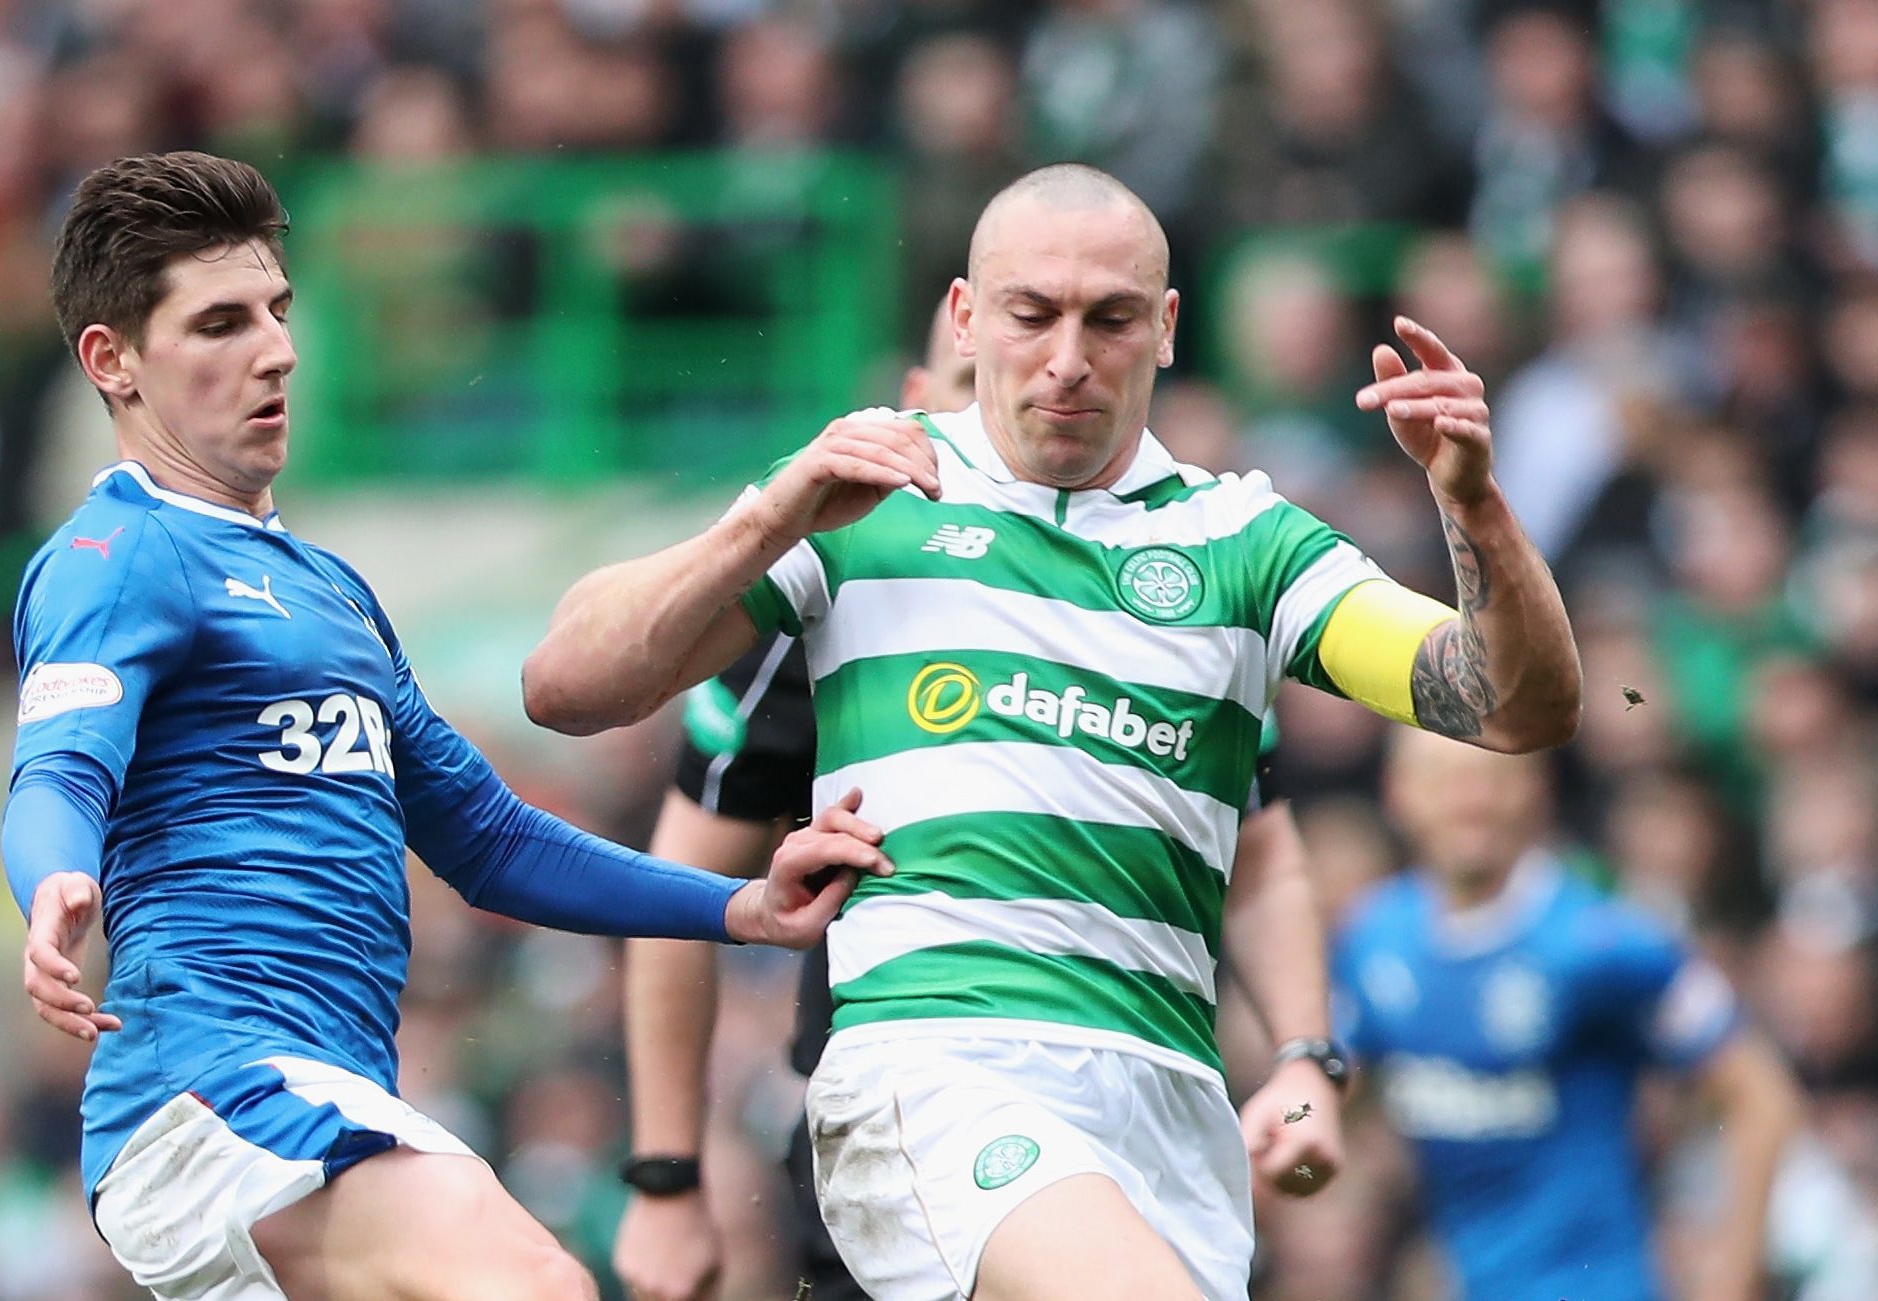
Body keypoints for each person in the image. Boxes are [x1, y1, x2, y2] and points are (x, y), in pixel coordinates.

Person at [523, 163, 1582, 1301]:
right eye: (1032, 314)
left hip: (1165, 1106)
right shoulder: (865, 502)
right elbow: (568, 685)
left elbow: (1513, 705)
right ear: (969, 317)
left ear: (1167, 328)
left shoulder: (1248, 541)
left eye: (1110, 318)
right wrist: (770, 512)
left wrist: (1474, 503)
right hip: (936, 1065)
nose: (1069, 357)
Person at [0, 151, 891, 1301]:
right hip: (213, 1094)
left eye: (277, 310)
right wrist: (56, 881)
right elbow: (58, 772)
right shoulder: (113, 558)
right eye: (219, 323)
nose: (276, 350)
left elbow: (489, 840)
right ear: (111, 360)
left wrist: (741, 905)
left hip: (301, 1100)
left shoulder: (327, 590)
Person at [612, 304, 1347, 1301]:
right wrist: (667, 1174)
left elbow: (1261, 854)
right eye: (973, 402)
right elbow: (675, 887)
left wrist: (1305, 1059)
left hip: (1132, 1106)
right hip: (913, 1107)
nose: (1016, 443)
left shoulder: (1171, 609)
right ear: (911, 410)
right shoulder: (830, 587)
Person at [1332, 730, 1801, 1301]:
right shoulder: (1374, 938)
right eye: (1443, 779)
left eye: (1491, 778)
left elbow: (1760, 1096)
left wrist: (1731, 1281)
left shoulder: (1606, 941)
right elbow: (1324, 1102)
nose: (1468, 800)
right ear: (1397, 792)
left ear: (1536, 789)